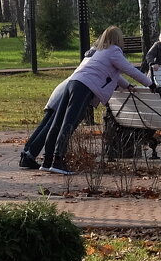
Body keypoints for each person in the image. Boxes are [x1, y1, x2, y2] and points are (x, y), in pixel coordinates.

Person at [22, 26, 154, 175]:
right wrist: (151, 84)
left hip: (73, 82)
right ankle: (58, 161)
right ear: (118, 39)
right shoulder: (114, 51)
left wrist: (127, 85)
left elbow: (115, 75)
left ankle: (48, 161)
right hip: (85, 86)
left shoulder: (100, 51)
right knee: (69, 124)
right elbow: (130, 70)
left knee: (58, 122)